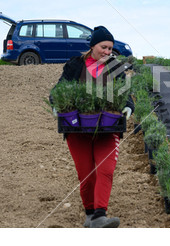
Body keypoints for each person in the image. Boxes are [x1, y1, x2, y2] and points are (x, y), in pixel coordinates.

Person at [51, 26, 134, 228]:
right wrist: (56, 105)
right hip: (77, 129)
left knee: (106, 170)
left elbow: (126, 94)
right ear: (92, 46)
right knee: (86, 173)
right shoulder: (74, 65)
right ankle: (90, 215)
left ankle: (99, 215)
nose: (107, 52)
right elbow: (58, 90)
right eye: (103, 47)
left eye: (110, 49)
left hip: (108, 128)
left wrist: (127, 107)